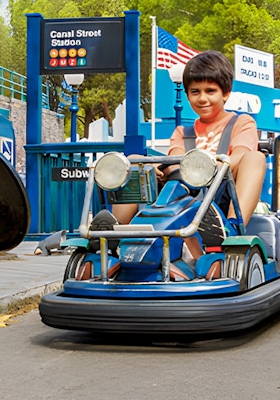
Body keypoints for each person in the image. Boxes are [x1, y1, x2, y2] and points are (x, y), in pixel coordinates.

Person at [97, 50, 266, 270]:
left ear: (225, 93)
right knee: (135, 160)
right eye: (195, 92)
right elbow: (175, 164)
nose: (202, 98)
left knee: (255, 158)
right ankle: (119, 233)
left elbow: (240, 155)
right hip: (183, 196)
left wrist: (206, 168)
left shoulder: (242, 122)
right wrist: (158, 168)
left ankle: (231, 229)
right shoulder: (182, 132)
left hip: (222, 196)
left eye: (210, 91)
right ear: (187, 95)